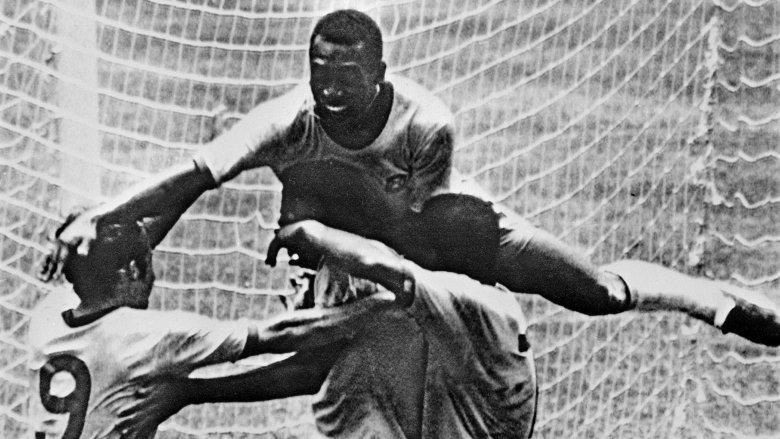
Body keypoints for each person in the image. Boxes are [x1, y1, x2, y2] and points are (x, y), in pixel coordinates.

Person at [40, 9, 780, 346]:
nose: (326, 89)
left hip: (431, 233)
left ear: (381, 74)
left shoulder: (428, 124)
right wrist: (104, 212)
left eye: (345, 76)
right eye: (316, 72)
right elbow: (195, 172)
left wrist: (339, 235)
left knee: (598, 293)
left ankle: (716, 302)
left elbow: (417, 230)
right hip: (337, 255)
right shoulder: (287, 120)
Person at [120, 193, 539, 439]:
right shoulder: (468, 308)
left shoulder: (469, 304)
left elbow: (314, 358)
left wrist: (310, 233)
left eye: (422, 245)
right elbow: (321, 355)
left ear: (443, 256)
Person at [27, 214, 398, 439]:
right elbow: (279, 335)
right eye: (149, 261)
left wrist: (82, 236)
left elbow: (103, 263)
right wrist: (380, 306)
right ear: (135, 269)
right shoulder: (154, 337)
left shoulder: (47, 317)